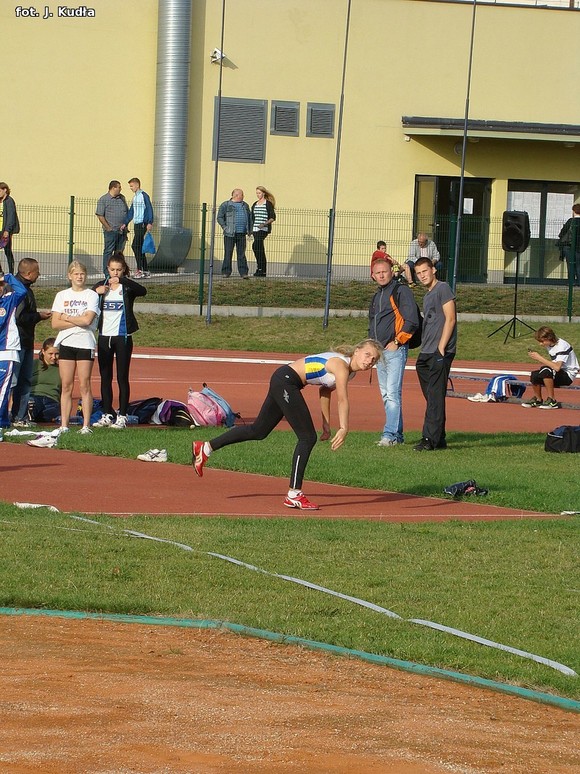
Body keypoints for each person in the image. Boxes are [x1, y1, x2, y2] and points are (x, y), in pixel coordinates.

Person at [192, 339, 383, 510]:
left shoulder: (349, 372)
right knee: (307, 438)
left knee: (258, 431)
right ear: (357, 351)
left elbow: (325, 390)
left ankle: (205, 448)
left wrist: (326, 423)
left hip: (283, 380)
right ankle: (294, 494)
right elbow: (342, 399)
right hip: (286, 382)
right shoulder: (341, 365)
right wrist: (344, 428)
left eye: (374, 359)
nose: (369, 361)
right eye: (367, 355)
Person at [92, 253, 147, 429]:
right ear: (107, 269)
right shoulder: (101, 286)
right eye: (112, 269)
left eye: (118, 270)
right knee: (105, 377)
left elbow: (143, 291)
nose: (115, 273)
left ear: (123, 270)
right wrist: (96, 292)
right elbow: (88, 297)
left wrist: (123, 281)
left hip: (122, 337)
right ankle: (107, 413)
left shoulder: (127, 287)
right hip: (104, 337)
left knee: (122, 377)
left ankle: (122, 415)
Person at [369, 258, 420, 446]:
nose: (381, 275)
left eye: (384, 271)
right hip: (379, 351)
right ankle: (397, 436)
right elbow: (372, 323)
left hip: (395, 350)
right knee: (386, 394)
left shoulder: (401, 291)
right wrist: (371, 346)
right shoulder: (376, 296)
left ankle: (389, 435)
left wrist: (398, 341)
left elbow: (412, 320)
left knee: (392, 393)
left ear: (392, 271)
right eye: (378, 273)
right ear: (373, 276)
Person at [51, 260, 100, 435]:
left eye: (82, 274)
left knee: (85, 384)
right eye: (76, 274)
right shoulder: (61, 295)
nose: (79, 277)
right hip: (66, 342)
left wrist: (67, 317)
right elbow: (55, 323)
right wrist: (76, 320)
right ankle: (64, 425)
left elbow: (87, 320)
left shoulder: (91, 295)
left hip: (85, 343)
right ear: (69, 276)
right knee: (66, 385)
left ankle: (86, 425)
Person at [413, 257, 456, 451]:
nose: (422, 276)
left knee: (435, 396)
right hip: (426, 351)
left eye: (424, 271)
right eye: (418, 273)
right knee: (433, 397)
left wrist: (441, 348)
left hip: (440, 351)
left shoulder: (443, 288)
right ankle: (439, 438)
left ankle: (429, 439)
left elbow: (451, 319)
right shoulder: (428, 295)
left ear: (433, 270)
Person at [11, 258, 51, 427]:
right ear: (28, 273)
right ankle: (9, 416)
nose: (39, 274)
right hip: (17, 342)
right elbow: (19, 317)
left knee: (24, 380)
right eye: (37, 272)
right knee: (14, 381)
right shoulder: (19, 290)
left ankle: (19, 417)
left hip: (26, 341)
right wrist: (38, 316)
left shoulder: (24, 288)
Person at [521, 326, 579, 409]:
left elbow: (557, 367)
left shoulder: (562, 346)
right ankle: (538, 399)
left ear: (549, 338)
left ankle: (552, 400)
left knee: (546, 370)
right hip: (559, 372)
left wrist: (539, 358)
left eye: (542, 341)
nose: (540, 344)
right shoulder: (550, 345)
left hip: (568, 375)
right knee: (535, 375)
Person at [0, 271, 28, 440]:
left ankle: (1, 421)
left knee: (3, 389)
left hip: (6, 351)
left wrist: (7, 277)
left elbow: (22, 290)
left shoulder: (9, 300)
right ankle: (3, 421)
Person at [216, 189, 252, 279]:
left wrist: (249, 230)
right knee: (228, 253)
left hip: (242, 233)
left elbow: (250, 218)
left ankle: (243, 273)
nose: (243, 196)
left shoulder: (245, 205)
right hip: (229, 233)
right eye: (242, 195)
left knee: (241, 254)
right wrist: (225, 227)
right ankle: (226, 272)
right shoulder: (226, 205)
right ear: (236, 195)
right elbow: (220, 217)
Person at [123, 177, 154, 279]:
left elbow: (149, 208)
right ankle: (145, 270)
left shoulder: (143, 195)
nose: (131, 188)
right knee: (139, 247)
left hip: (142, 224)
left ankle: (140, 270)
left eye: (132, 186)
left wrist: (150, 222)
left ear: (137, 185)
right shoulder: (135, 197)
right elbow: (131, 211)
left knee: (135, 246)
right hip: (137, 224)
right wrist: (125, 223)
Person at [96, 181, 129, 276]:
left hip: (121, 231)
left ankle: (120, 272)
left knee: (119, 253)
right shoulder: (104, 199)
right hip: (111, 231)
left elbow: (126, 211)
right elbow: (100, 215)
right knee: (108, 252)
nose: (120, 189)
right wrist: (108, 227)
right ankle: (107, 273)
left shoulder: (122, 198)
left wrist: (125, 225)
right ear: (113, 188)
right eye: (119, 187)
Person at [28, 338, 62, 423]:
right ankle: (30, 413)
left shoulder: (62, 369)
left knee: (53, 413)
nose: (54, 357)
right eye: (50, 354)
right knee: (33, 404)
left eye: (57, 354)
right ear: (43, 351)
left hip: (52, 400)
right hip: (34, 397)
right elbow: (20, 385)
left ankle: (32, 416)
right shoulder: (34, 364)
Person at [251, 186, 276, 277]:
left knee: (256, 245)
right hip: (255, 229)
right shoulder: (255, 204)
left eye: (259, 193)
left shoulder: (267, 204)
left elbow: (272, 217)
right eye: (257, 193)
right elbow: (252, 217)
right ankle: (260, 268)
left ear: (263, 193)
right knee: (258, 248)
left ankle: (262, 268)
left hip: (263, 229)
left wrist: (264, 224)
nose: (258, 195)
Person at [556, 204, 580, 287]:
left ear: (573, 211)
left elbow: (562, 233)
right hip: (579, 247)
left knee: (570, 265)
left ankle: (571, 282)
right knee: (579, 265)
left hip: (568, 246)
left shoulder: (570, 221)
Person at [0, 183, 20, 274]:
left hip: (5, 230)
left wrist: (7, 230)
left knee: (7, 251)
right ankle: (0, 271)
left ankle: (11, 272)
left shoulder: (9, 201)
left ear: (5, 190)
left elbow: (11, 217)